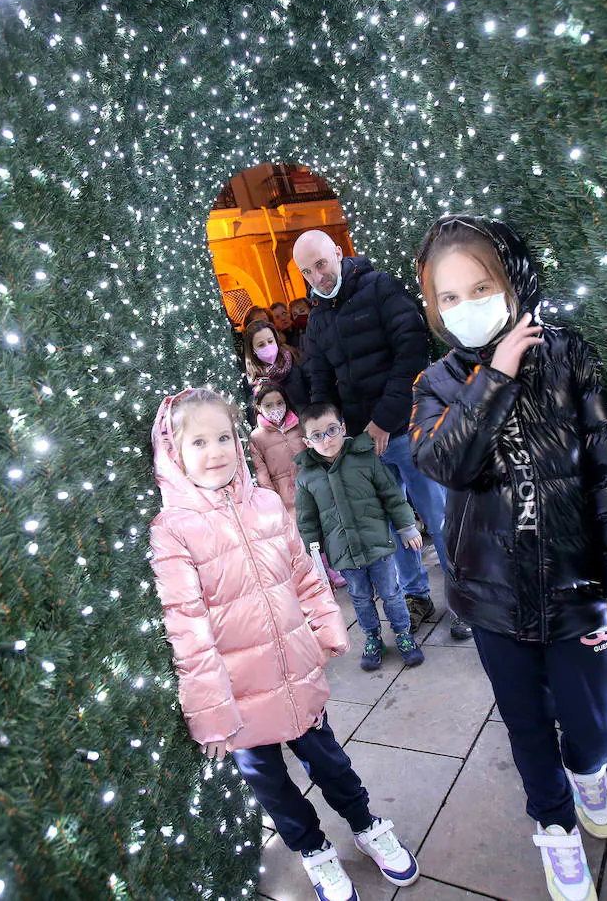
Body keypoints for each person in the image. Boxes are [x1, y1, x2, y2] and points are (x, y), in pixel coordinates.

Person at [409, 215, 607, 901]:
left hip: (576, 589)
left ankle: (587, 773)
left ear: (511, 282)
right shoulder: (435, 382)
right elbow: (443, 462)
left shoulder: (570, 355)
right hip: (492, 597)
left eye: (479, 287)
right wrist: (494, 375)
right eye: (448, 296)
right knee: (525, 727)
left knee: (597, 725)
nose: (464, 307)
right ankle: (553, 828)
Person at [148, 387, 422, 901]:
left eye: (225, 437)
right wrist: (210, 711)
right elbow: (186, 627)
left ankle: (366, 825)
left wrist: (326, 628)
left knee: (330, 761)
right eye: (199, 442)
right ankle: (314, 851)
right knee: (272, 785)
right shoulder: (173, 532)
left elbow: (304, 576)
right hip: (240, 698)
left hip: (296, 673)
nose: (216, 452)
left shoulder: (268, 504)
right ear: (173, 453)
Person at [293, 229, 470, 640]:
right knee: (390, 527)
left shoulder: (380, 287)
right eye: (307, 271)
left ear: (338, 253)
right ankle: (416, 596)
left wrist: (384, 420)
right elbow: (320, 383)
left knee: (439, 516)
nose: (317, 276)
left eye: (321, 263)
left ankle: (463, 599)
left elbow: (411, 351)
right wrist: (328, 437)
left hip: (407, 429)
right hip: (360, 443)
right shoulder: (317, 320)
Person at [294, 402, 426, 671]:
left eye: (332, 430)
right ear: (308, 442)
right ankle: (372, 638)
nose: (327, 439)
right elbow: (307, 521)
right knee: (360, 597)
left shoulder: (365, 458)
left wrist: (406, 527)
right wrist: (313, 556)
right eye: (317, 435)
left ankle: (403, 633)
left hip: (378, 544)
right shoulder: (306, 478)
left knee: (391, 592)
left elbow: (392, 495)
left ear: (343, 428)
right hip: (343, 552)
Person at [249, 383, 349, 590]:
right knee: (305, 536)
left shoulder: (299, 425)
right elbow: (261, 471)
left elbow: (314, 451)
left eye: (279, 403)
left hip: (312, 486)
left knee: (326, 526)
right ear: (259, 408)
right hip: (285, 495)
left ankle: (335, 566)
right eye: (268, 405)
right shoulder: (257, 438)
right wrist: (271, 498)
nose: (275, 408)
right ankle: (319, 574)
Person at [243, 320, 310, 412]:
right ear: (253, 350)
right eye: (261, 345)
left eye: (270, 341)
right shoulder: (253, 379)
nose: (268, 346)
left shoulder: (294, 357)